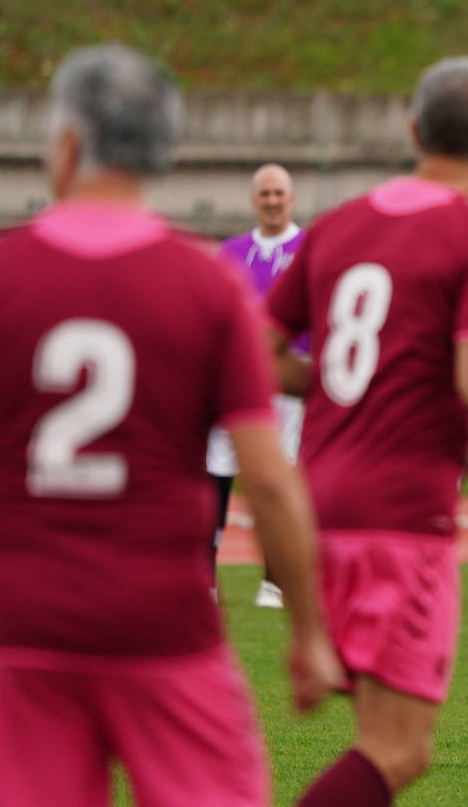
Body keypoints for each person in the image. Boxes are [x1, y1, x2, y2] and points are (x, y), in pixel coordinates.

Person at [0, 43, 342, 806]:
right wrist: (309, 630)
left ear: (69, 142)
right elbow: (271, 484)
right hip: (161, 622)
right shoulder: (207, 286)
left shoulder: (0, 276)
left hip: (18, 626)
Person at [267, 56, 468, 805]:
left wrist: (334, 385)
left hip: (314, 512)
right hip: (400, 522)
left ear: (415, 130)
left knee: (374, 745)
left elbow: (257, 356)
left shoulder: (337, 225)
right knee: (398, 751)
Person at [207, 161, 309, 608]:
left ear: (291, 198)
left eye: (279, 193)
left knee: (280, 477)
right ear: (254, 200)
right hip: (235, 378)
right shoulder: (231, 251)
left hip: (290, 382)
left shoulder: (310, 248)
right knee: (217, 471)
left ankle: (275, 579)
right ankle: (203, 581)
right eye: (264, 193)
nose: (271, 201)